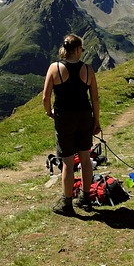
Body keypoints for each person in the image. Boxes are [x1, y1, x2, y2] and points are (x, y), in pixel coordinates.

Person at [42, 34, 101, 216]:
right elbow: (95, 98)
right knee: (85, 158)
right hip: (84, 116)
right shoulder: (88, 69)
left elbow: (46, 97)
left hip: (64, 117)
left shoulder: (55, 68)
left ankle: (67, 203)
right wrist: (96, 121)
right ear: (77, 50)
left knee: (67, 162)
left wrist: (49, 112)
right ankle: (85, 197)